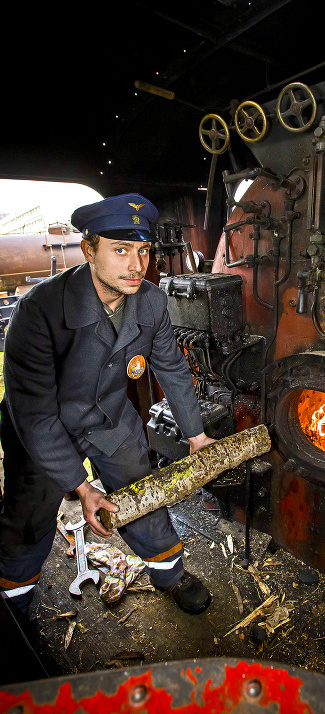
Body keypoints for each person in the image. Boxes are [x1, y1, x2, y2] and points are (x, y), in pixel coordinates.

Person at [0, 193, 213, 618]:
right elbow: (35, 413)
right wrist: (82, 488)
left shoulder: (150, 301)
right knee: (29, 518)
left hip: (111, 420)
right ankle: (13, 599)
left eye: (143, 250)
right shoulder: (38, 311)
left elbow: (171, 367)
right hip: (45, 430)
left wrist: (197, 435)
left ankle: (170, 573)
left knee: (143, 497)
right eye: (120, 250)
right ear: (88, 249)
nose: (136, 265)